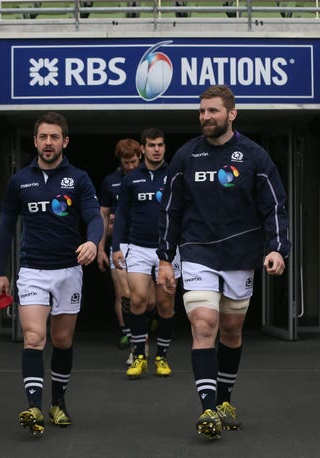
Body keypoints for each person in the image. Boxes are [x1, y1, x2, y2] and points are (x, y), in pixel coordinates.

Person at [156, 85, 290, 440]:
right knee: (204, 325)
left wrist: (277, 248)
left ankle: (225, 399)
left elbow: (273, 207)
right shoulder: (186, 156)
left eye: (213, 111)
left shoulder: (255, 157)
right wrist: (165, 259)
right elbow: (171, 210)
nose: (205, 117)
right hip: (197, 252)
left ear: (232, 114)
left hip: (240, 256)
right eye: (201, 111)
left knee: (231, 331)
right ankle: (208, 410)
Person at [0, 112, 103, 436]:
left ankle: (58, 401)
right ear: (35, 141)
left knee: (62, 340)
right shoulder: (19, 181)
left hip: (69, 271)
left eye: (55, 137)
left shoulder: (79, 179)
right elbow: (4, 228)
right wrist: (0, 272)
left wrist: (93, 243)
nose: (49, 142)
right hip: (32, 271)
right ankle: (34, 408)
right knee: (34, 337)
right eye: (43, 137)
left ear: (65, 141)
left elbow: (94, 217)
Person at [112, 128, 180, 379]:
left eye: (161, 144)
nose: (156, 149)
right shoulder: (131, 179)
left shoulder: (175, 175)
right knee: (138, 299)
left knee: (165, 305)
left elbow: (184, 211)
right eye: (151, 145)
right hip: (138, 247)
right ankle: (139, 354)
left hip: (167, 249)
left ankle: (161, 356)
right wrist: (116, 246)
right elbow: (121, 215)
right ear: (143, 148)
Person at [97, 139, 142, 351]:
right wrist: (100, 248)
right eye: (126, 162)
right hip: (120, 243)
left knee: (144, 295)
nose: (131, 166)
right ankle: (128, 333)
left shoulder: (150, 176)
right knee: (123, 292)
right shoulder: (110, 181)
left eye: (134, 161)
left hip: (146, 243)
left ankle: (142, 326)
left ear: (140, 157)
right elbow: (103, 215)